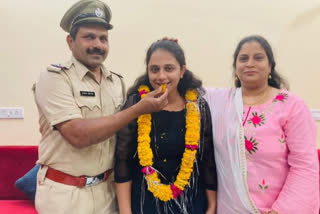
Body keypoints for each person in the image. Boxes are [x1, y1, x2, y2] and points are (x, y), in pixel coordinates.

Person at [33, 1, 168, 213]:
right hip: (65, 196)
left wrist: (164, 52)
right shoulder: (54, 79)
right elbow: (78, 136)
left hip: (108, 192)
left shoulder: (116, 82)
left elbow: (148, 92)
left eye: (103, 38)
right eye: (89, 37)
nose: (98, 44)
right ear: (70, 41)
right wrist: (136, 110)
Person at [204, 35, 319, 214]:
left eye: (258, 58)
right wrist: (170, 53)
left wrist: (280, 210)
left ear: (270, 66)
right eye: (243, 58)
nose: (250, 63)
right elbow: (183, 89)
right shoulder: (218, 101)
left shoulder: (291, 106)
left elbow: (304, 165)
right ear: (235, 68)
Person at [114, 38, 218, 214]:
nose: (161, 76)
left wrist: (211, 206)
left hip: (190, 202)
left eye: (169, 68)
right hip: (145, 202)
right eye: (154, 69)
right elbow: (123, 161)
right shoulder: (136, 104)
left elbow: (207, 159)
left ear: (182, 71)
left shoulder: (198, 107)